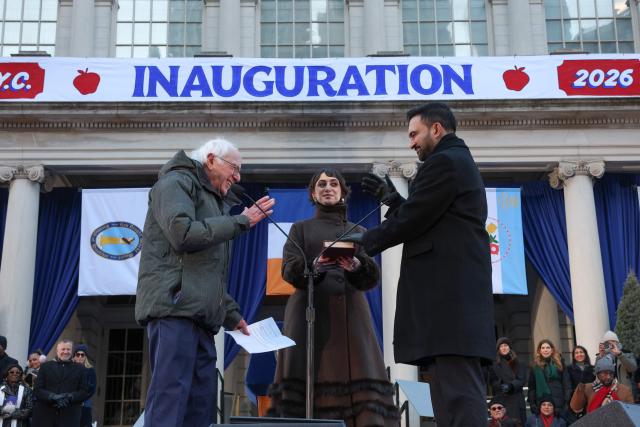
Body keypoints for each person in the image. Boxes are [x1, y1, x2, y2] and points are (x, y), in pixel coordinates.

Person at [344, 102, 495, 426]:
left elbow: (415, 219)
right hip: (448, 312)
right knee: (448, 402)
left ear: (436, 129)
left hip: (450, 308)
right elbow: (430, 217)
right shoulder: (454, 161)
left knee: (458, 401)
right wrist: (393, 199)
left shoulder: (444, 162)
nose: (411, 142)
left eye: (414, 134)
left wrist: (364, 244)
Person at [135, 138, 275, 427]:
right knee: (170, 399)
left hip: (200, 317)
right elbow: (182, 234)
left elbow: (207, 271)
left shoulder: (213, 201)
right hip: (174, 310)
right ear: (211, 159)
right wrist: (241, 221)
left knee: (200, 406)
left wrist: (232, 314)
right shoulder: (174, 183)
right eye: (234, 169)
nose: (238, 178)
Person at [268, 168, 399, 426]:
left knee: (359, 376)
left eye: (333, 184)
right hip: (310, 315)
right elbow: (288, 269)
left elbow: (372, 277)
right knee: (306, 380)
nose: (327, 188)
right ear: (313, 194)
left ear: (343, 192)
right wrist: (313, 267)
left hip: (351, 317)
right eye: (321, 184)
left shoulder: (358, 229)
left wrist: (357, 267)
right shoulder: (300, 229)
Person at [32, 339, 91, 427]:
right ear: (57, 351)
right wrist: (52, 396)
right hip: (45, 415)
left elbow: (84, 391)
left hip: (69, 415)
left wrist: (70, 397)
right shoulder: (45, 366)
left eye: (68, 349)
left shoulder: (80, 369)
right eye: (63, 349)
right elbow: (37, 389)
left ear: (72, 352)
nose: (65, 352)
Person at [569, 355, 634, 415]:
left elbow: (631, 413)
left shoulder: (624, 390)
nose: (608, 377)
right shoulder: (587, 388)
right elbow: (576, 408)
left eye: (611, 373)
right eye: (604, 373)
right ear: (597, 374)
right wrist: (580, 389)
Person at [527, 339, 571, 418]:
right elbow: (532, 388)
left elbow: (566, 383)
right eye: (543, 348)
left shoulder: (560, 363)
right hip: (542, 404)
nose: (545, 350)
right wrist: (533, 405)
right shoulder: (534, 366)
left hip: (559, 403)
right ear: (539, 350)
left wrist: (566, 401)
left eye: (548, 347)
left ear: (552, 350)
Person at [489, 337, 527, 425]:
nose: (504, 348)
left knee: (517, 423)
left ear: (509, 347)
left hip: (516, 398)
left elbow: (521, 379)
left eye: (505, 345)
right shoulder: (494, 364)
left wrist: (511, 386)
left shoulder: (519, 362)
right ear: (498, 349)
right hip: (501, 399)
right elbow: (492, 380)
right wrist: (500, 385)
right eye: (501, 346)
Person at [564, 345, 595, 422]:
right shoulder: (569, 369)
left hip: (590, 400)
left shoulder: (592, 369)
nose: (579, 354)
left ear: (585, 354)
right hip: (575, 401)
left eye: (581, 352)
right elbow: (568, 386)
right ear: (574, 356)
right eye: (576, 353)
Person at [72, 345, 96, 427]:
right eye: (77, 354)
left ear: (86, 357)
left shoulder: (90, 370)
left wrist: (81, 399)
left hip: (84, 404)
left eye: (82, 355)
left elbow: (92, 388)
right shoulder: (70, 369)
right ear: (74, 356)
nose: (80, 357)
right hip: (71, 403)